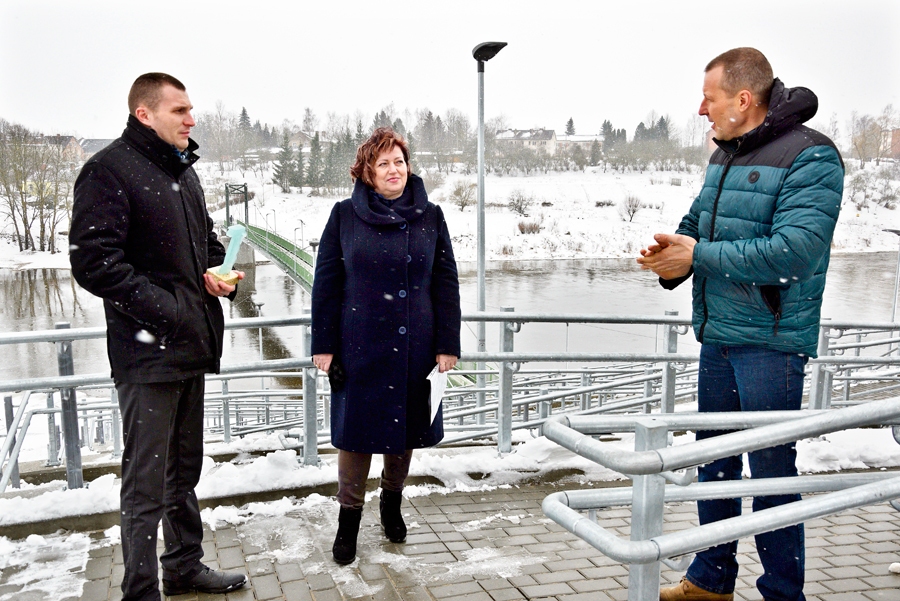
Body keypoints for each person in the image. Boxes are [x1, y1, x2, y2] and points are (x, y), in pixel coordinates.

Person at [637, 48, 843, 601]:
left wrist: (696, 255)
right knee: (714, 460)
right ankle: (711, 580)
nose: (701, 109)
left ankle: (782, 592)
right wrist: (669, 255)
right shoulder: (725, 154)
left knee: (772, 471)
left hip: (771, 343)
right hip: (720, 336)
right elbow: (700, 220)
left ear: (744, 99)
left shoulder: (811, 156)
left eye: (710, 98)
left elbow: (793, 253)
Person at [69, 73, 247, 601]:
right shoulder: (108, 171)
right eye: (180, 111)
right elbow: (94, 262)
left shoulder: (182, 170)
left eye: (191, 111)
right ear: (145, 113)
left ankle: (183, 567)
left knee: (183, 471)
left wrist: (216, 273)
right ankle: (141, 589)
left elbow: (204, 245)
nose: (191, 120)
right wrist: (169, 312)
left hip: (192, 347)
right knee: (146, 483)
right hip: (148, 355)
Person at [311, 127, 461, 564]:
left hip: (415, 343)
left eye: (399, 161)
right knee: (356, 438)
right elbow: (327, 283)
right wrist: (324, 344)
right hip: (358, 343)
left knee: (404, 431)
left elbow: (445, 282)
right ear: (367, 173)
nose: (394, 170)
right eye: (384, 164)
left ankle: (392, 504)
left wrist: (447, 343)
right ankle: (348, 521)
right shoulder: (343, 215)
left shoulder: (431, 215)